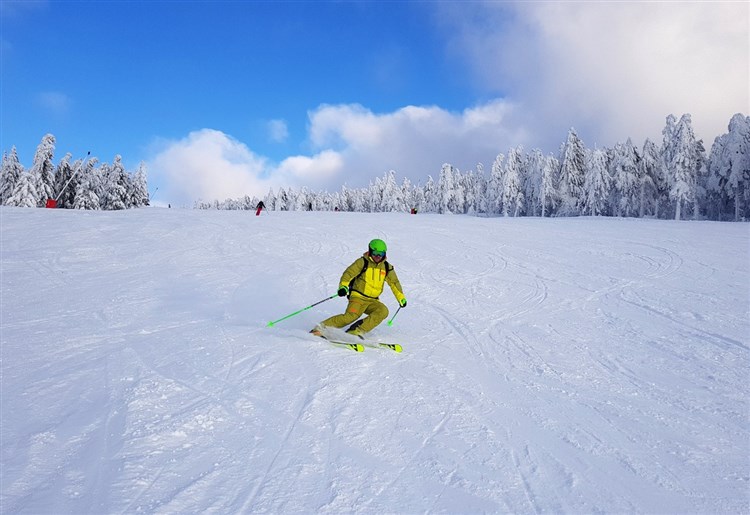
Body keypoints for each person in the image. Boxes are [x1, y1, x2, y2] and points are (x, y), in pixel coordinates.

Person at [311, 239, 407, 338]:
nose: (378, 256)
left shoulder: (387, 267)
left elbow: (394, 283)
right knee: (351, 317)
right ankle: (320, 328)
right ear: (370, 251)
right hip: (358, 298)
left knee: (383, 311)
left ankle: (356, 331)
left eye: (381, 254)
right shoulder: (362, 262)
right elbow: (348, 274)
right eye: (375, 253)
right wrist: (343, 287)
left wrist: (401, 298)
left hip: (372, 300)